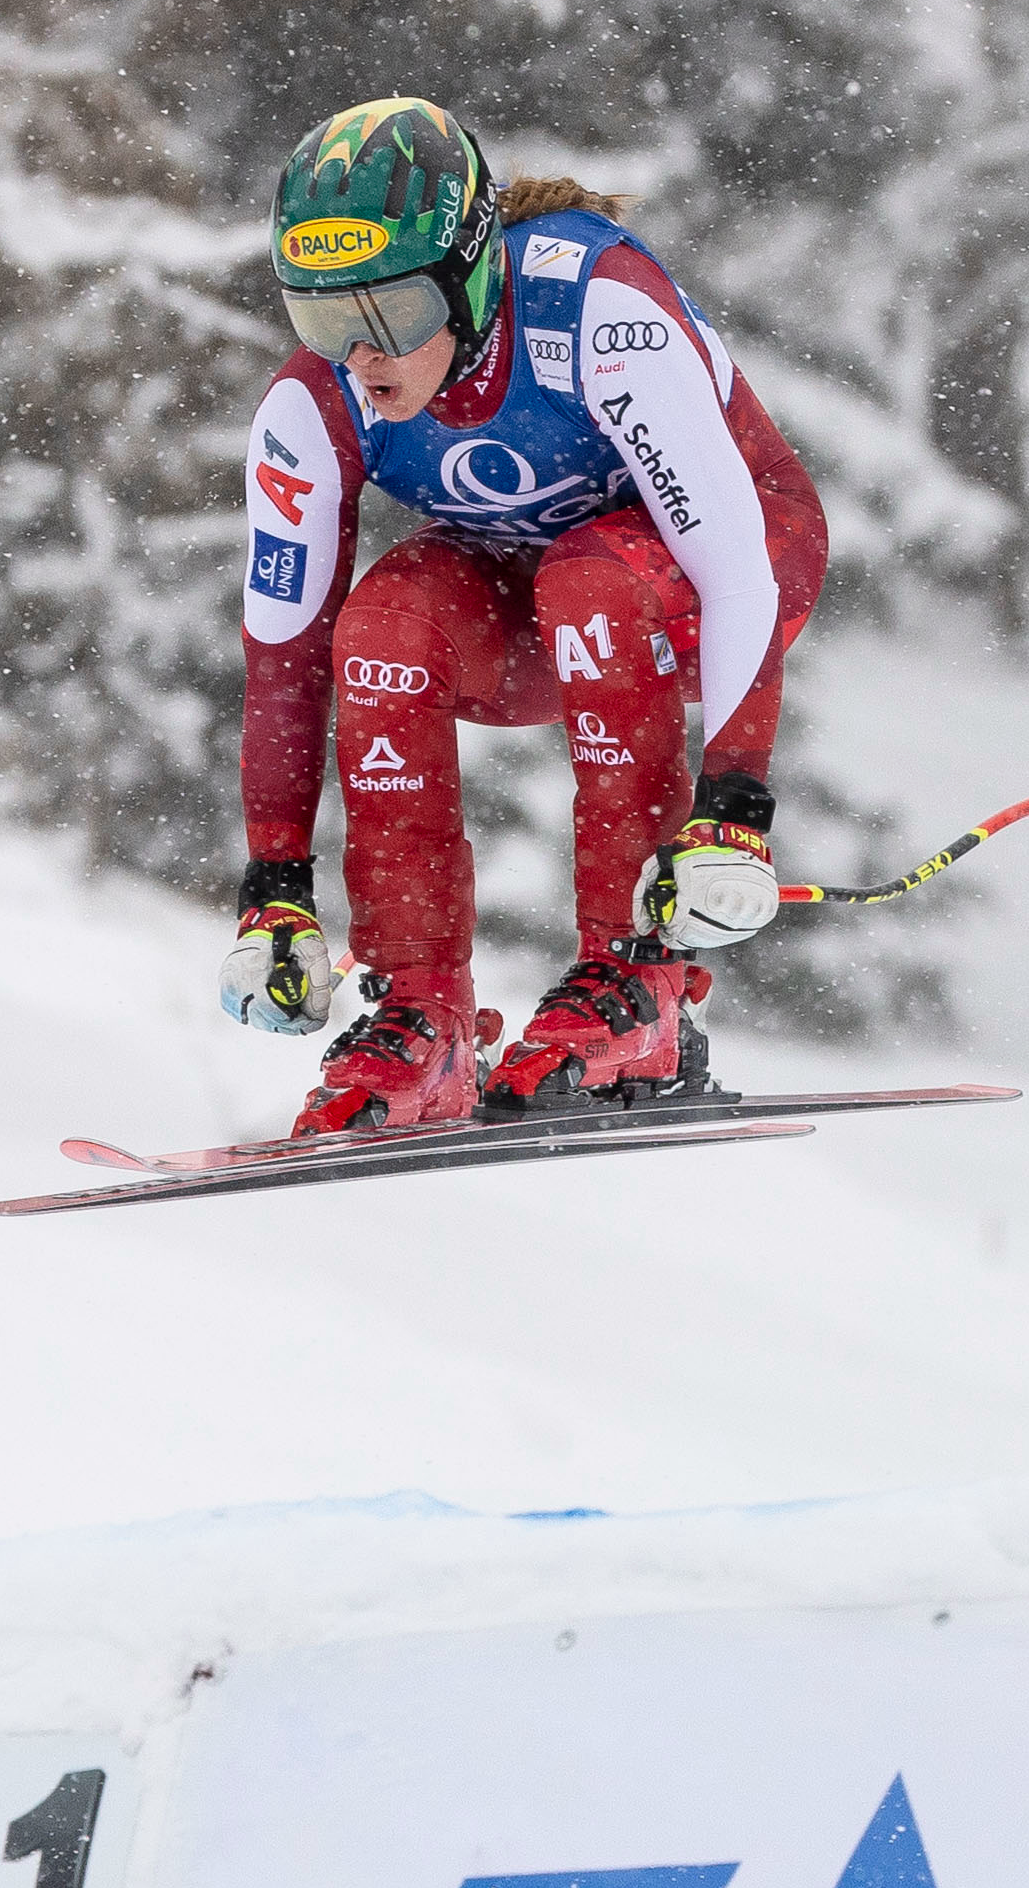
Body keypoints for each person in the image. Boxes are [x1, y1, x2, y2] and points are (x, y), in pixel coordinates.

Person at [220, 95, 828, 1136]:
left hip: (728, 575)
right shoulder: (311, 404)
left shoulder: (597, 310)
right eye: (322, 318)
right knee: (382, 627)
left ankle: (640, 983)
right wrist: (273, 890)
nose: (360, 354)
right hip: (540, 596)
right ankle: (423, 1012)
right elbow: (286, 656)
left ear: (468, 275)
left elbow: (733, 572)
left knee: (589, 582)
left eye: (390, 313)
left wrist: (733, 809)